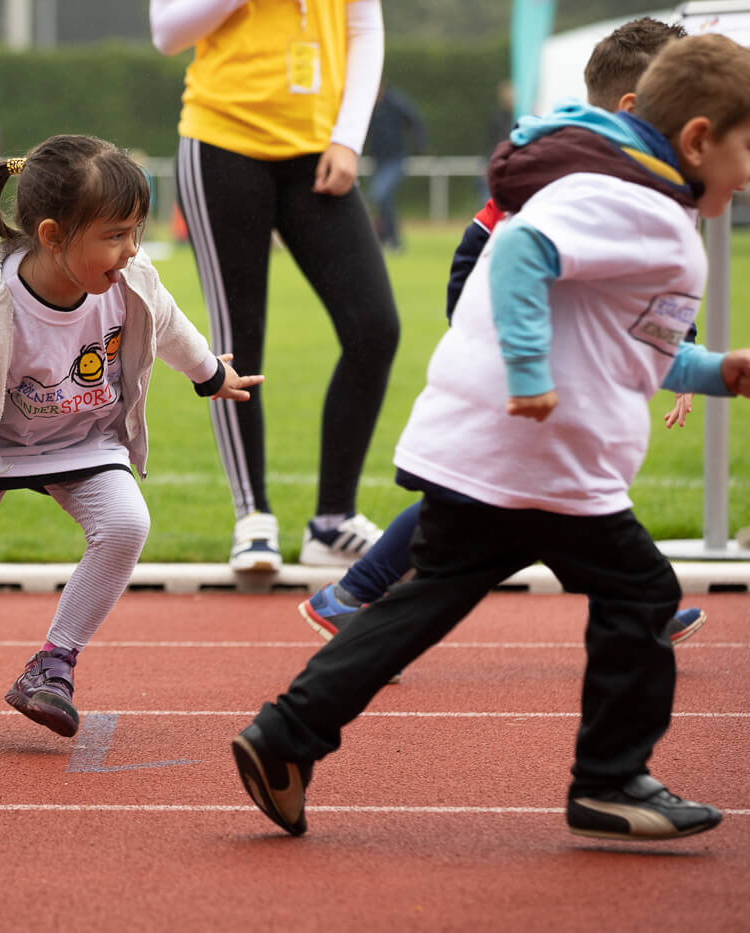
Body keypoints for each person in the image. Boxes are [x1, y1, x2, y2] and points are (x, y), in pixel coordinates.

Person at [232, 33, 750, 842]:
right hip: (542, 459)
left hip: (495, 452)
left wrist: (720, 371)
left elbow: (631, 336)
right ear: (697, 140)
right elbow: (518, 252)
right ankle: (611, 779)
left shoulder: (630, 195)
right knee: (644, 594)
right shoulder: (636, 202)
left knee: (430, 597)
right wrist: (530, 372)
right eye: (748, 146)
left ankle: (285, 734)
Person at [302, 18, 707, 650]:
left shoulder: (641, 178)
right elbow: (479, 249)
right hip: (523, 356)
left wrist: (680, 349)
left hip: (555, 357)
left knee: (527, 495)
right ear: (636, 107)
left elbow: (646, 282)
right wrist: (506, 351)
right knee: (519, 496)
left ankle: (350, 596)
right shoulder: (568, 167)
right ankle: (642, 602)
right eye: (691, 105)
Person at [0, 134, 263, 746]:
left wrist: (210, 375)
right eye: (115, 234)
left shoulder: (133, 280)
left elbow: (170, 324)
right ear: (52, 236)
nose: (130, 251)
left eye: (136, 232)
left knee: (126, 525)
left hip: (82, 440)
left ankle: (54, 663)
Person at [150, 0, 399, 572]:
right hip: (222, 143)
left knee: (374, 327)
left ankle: (333, 521)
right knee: (240, 334)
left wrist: (349, 137)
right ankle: (252, 515)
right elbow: (167, 32)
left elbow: (364, 30)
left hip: (319, 149)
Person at [366, 81, 427, 251]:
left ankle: (391, 238)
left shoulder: (395, 102)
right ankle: (390, 239)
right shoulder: (370, 104)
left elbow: (415, 120)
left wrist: (420, 146)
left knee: (379, 194)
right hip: (378, 160)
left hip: (395, 159)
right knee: (383, 199)